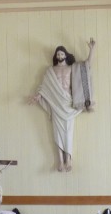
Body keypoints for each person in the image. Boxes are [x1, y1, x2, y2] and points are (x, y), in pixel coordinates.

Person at [29, 38, 95, 172]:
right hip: (56, 104)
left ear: (65, 55)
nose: (59, 56)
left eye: (61, 54)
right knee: (57, 132)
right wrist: (38, 96)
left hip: (69, 103)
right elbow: (44, 87)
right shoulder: (50, 70)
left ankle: (68, 159)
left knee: (68, 132)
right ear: (55, 56)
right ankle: (60, 160)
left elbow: (87, 66)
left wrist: (91, 50)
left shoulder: (72, 68)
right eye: (57, 54)